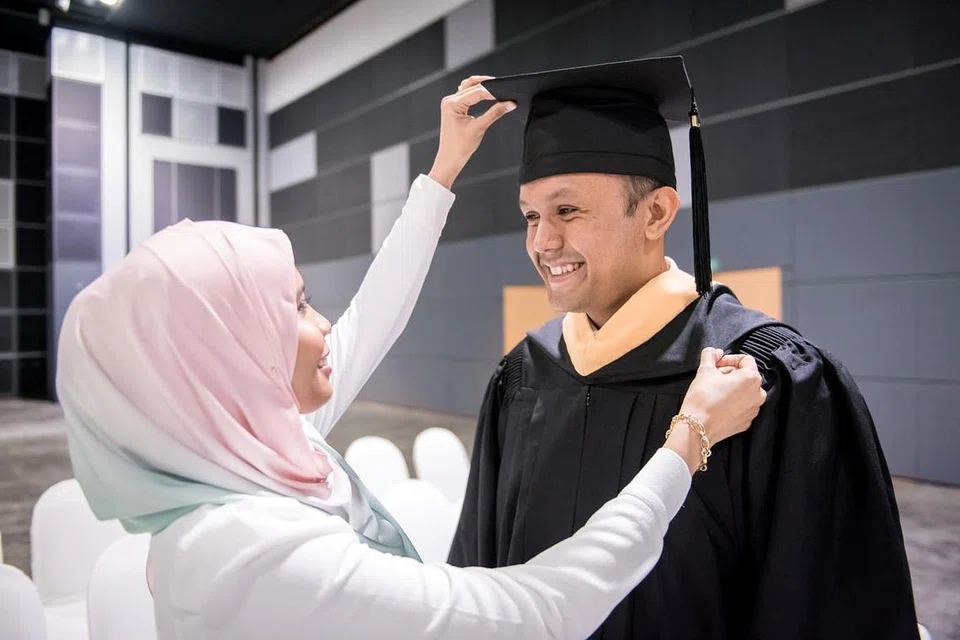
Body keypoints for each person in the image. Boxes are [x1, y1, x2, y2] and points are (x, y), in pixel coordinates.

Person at [56, 76, 766, 639]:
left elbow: (373, 317)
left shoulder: (247, 452)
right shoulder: (251, 555)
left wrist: (443, 168)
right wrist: (687, 438)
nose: (324, 325)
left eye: (568, 211)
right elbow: (546, 611)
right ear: (227, 360)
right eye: (296, 307)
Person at [448, 56, 921, 639]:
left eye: (567, 210)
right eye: (530, 216)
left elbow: (821, 600)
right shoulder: (523, 377)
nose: (544, 241)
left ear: (656, 212)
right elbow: (478, 575)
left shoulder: (764, 375)